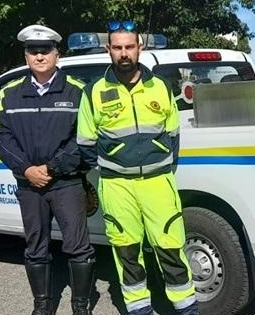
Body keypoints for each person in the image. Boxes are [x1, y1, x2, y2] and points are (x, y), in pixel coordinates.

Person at [76, 20, 199, 315]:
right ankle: (139, 309)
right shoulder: (93, 92)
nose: (124, 53)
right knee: (127, 252)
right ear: (109, 50)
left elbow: (173, 136)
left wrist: (160, 167)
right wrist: (115, 167)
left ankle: (187, 309)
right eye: (117, 48)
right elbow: (85, 143)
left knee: (171, 248)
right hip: (117, 187)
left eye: (129, 46)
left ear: (139, 48)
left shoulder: (159, 87)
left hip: (158, 183)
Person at [0, 24, 96, 315]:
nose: (39, 56)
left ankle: (81, 306)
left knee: (79, 248)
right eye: (32, 50)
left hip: (66, 183)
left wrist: (51, 168)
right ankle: (42, 305)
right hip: (29, 185)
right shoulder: (10, 93)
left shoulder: (77, 91)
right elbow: (2, 137)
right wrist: (27, 169)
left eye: (45, 50)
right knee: (35, 247)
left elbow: (85, 138)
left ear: (56, 54)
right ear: (26, 55)